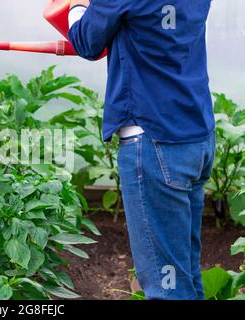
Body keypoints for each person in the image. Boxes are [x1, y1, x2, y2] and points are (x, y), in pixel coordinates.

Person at [68, 0, 215, 300]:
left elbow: (86, 40)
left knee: (167, 288)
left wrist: (77, 8)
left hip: (154, 144)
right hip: (195, 137)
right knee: (183, 274)